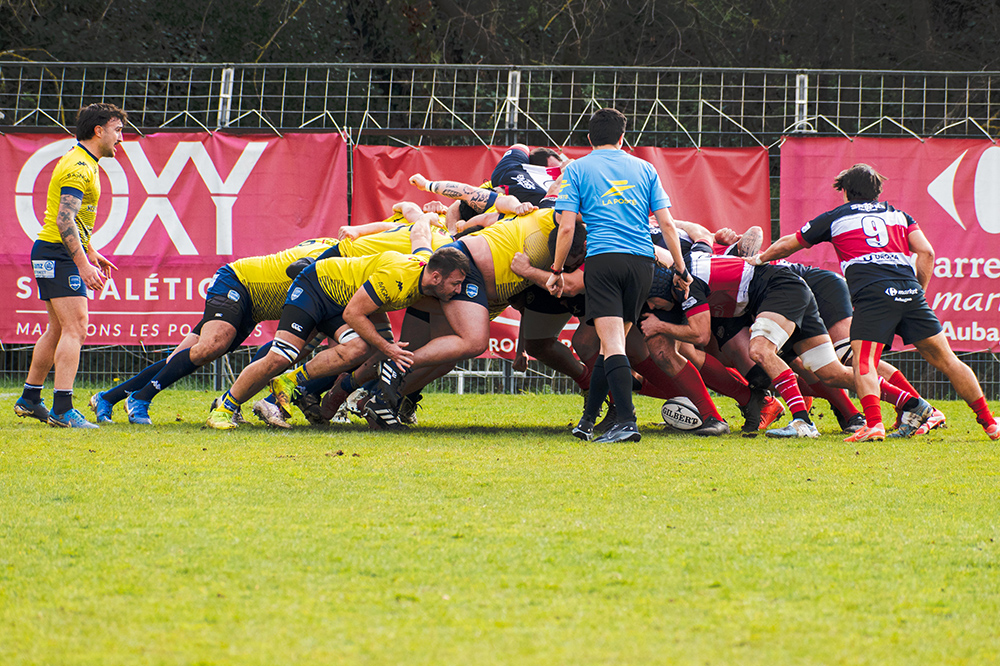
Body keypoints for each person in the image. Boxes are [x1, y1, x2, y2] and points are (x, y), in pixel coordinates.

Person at [748, 163, 998, 441]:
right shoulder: (900, 216)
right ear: (878, 191)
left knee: (863, 361)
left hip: (874, 293)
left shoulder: (836, 217)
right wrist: (918, 291)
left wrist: (759, 258)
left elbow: (789, 244)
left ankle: (874, 425)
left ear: (845, 191)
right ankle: (989, 423)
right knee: (949, 360)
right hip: (910, 293)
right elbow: (926, 252)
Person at [206, 214, 469, 429]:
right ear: (436, 277)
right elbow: (353, 314)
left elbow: (419, 234)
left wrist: (426, 217)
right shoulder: (398, 278)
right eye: (456, 284)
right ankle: (224, 408)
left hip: (340, 297)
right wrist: (388, 347)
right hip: (315, 289)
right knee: (281, 355)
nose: (458, 290)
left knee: (362, 350)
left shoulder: (425, 262)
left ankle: (292, 382)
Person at [546, 107, 691, 443]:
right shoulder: (645, 168)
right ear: (623, 138)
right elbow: (667, 224)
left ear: (589, 138)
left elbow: (566, 227)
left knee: (612, 344)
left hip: (604, 262)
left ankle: (626, 421)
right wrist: (680, 268)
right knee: (611, 345)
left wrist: (556, 269)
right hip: (642, 263)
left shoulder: (577, 169)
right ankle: (587, 420)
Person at [89, 236, 338, 425]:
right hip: (238, 282)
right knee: (211, 346)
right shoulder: (337, 256)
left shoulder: (338, 248)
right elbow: (296, 268)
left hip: (254, 306)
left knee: (181, 358)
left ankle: (107, 398)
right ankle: (140, 398)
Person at [14, 103, 126, 428]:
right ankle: (62, 410)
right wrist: (83, 264)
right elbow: (65, 220)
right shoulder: (79, 167)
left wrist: (90, 251)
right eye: (118, 130)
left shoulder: (84, 161)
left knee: (59, 328)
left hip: (51, 251)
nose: (121, 138)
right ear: (99, 130)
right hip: (57, 254)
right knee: (77, 327)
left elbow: (72, 220)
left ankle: (30, 399)